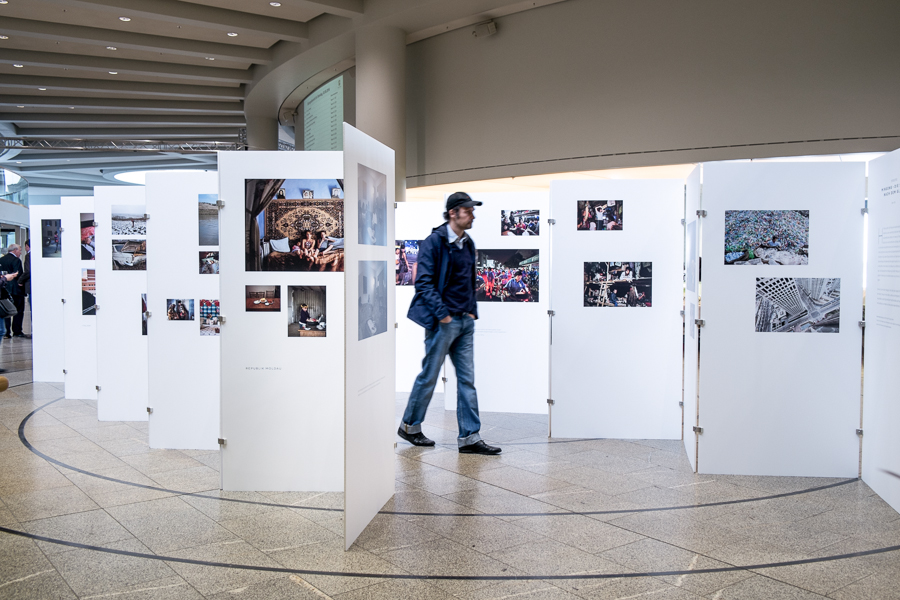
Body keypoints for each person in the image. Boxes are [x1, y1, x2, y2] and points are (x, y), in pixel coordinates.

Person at [400, 192, 501, 455]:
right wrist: (443, 315)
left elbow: (470, 281)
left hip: (464, 322)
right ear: (453, 213)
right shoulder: (434, 242)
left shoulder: (468, 243)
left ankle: (469, 437)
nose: (473, 215)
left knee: (467, 380)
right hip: (442, 322)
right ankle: (410, 426)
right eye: (468, 211)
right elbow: (423, 283)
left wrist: (471, 311)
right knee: (430, 376)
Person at [0, 244, 26, 338]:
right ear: (15, 250)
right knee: (18, 311)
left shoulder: (1, 259)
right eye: (20, 250)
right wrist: (21, 283)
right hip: (16, 289)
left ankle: (7, 332)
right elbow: (18, 274)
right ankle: (17, 331)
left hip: (4, 289)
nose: (20, 252)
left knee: (6, 310)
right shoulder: (16, 260)